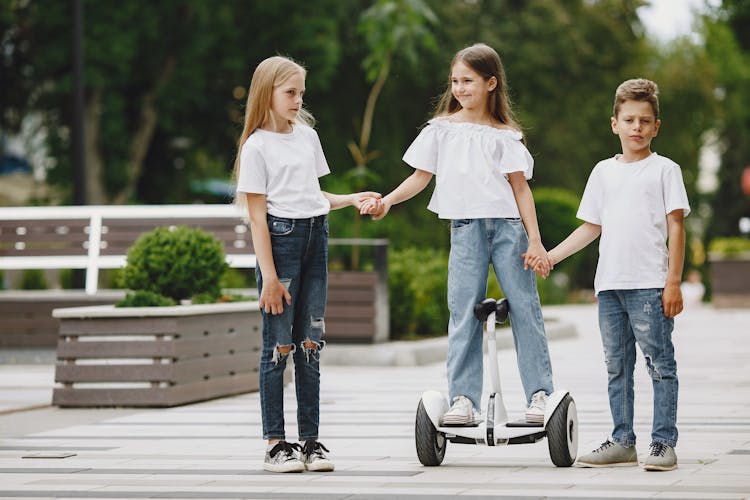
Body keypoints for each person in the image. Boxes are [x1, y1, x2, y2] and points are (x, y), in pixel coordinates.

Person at [361, 43, 555, 426]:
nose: (460, 88)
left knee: (524, 309)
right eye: (454, 81)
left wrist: (535, 240)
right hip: (465, 229)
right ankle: (464, 398)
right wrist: (388, 201)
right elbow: (420, 177)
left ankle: (539, 395)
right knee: (463, 312)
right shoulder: (441, 131)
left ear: (491, 83)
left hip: (508, 229)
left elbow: (520, 190)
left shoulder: (506, 135)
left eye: (468, 80)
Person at [233, 55, 380, 473]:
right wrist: (271, 279)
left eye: (301, 92)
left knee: (311, 343)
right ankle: (276, 444)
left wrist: (350, 199)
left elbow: (313, 195)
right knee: (278, 346)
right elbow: (258, 215)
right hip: (280, 244)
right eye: (290, 92)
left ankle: (311, 442)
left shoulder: (307, 137)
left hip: (317, 235)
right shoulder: (256, 146)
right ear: (268, 93)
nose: (298, 100)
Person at [536, 78, 689, 471]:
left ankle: (662, 443)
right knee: (617, 367)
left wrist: (673, 282)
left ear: (656, 126)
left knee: (659, 365)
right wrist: (550, 256)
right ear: (614, 123)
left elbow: (676, 227)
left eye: (644, 120)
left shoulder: (665, 170)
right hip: (610, 288)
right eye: (629, 120)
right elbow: (591, 227)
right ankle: (622, 440)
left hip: (650, 286)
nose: (636, 127)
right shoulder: (603, 172)